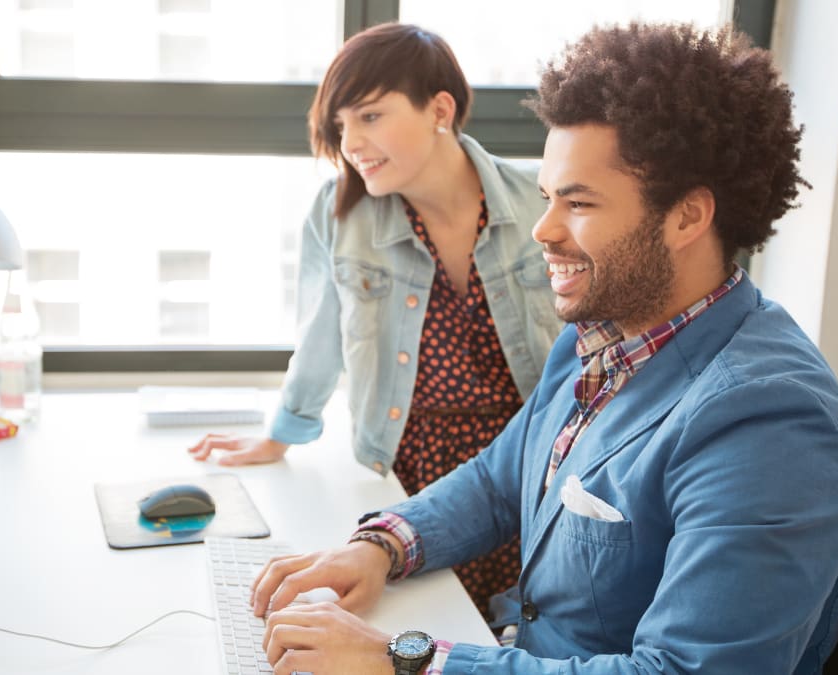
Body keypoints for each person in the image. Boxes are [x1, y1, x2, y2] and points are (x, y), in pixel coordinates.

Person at [249, 22, 838, 675]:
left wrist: (406, 661)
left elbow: (682, 671)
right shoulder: (600, 335)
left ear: (687, 217)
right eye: (547, 197)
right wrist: (379, 546)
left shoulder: (769, 420)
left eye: (578, 203)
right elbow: (499, 479)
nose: (543, 230)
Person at [187, 23, 562, 612]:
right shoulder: (339, 213)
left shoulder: (539, 200)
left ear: (440, 109)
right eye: (340, 125)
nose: (351, 142)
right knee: (418, 629)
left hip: (524, 472)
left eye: (369, 116)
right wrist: (282, 431)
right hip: (401, 470)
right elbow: (318, 333)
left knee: (520, 626)